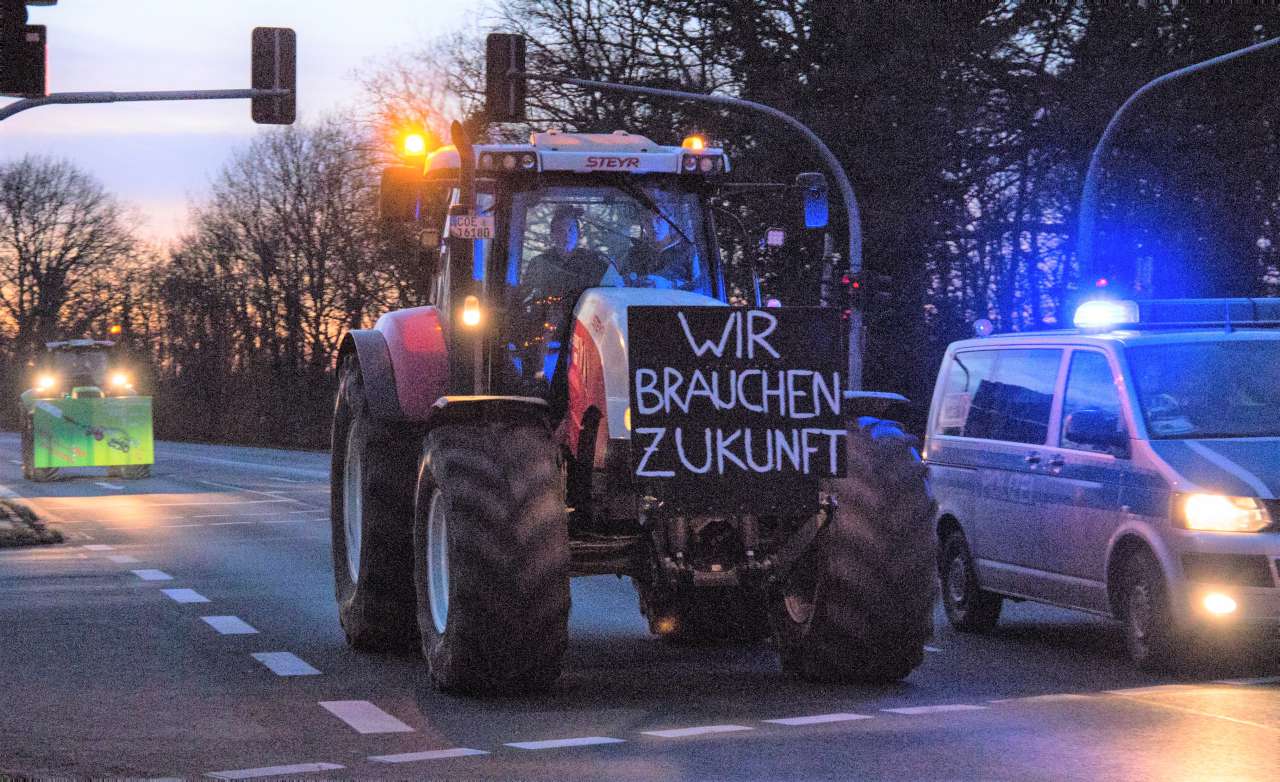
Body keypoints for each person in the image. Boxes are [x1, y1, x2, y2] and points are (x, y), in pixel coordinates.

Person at [521, 205, 611, 301]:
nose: (567, 235)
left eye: (571, 230)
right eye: (560, 231)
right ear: (552, 235)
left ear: (578, 234)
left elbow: (609, 294)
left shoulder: (594, 262)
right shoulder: (539, 263)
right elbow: (525, 294)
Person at [624, 211, 697, 289]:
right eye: (648, 220)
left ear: (670, 221)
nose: (654, 225)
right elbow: (622, 284)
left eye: (659, 219)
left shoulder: (689, 250)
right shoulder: (634, 253)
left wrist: (668, 285)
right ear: (643, 224)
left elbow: (700, 286)